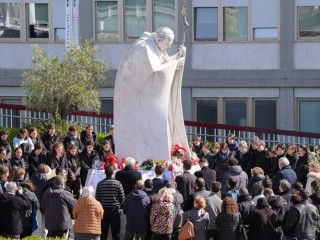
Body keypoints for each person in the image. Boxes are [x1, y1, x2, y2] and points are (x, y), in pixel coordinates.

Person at [114, 26, 188, 163]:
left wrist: (177, 56)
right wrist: (175, 63)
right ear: (159, 39)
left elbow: (161, 64)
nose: (167, 47)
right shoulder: (144, 48)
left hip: (146, 96)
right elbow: (155, 72)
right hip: (136, 98)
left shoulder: (155, 45)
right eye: (167, 44)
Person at [96, 164, 125, 240]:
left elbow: (97, 198)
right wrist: (118, 205)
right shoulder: (118, 183)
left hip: (103, 210)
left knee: (103, 234)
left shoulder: (100, 184)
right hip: (114, 210)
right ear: (113, 172)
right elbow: (122, 198)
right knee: (116, 234)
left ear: (105, 172)